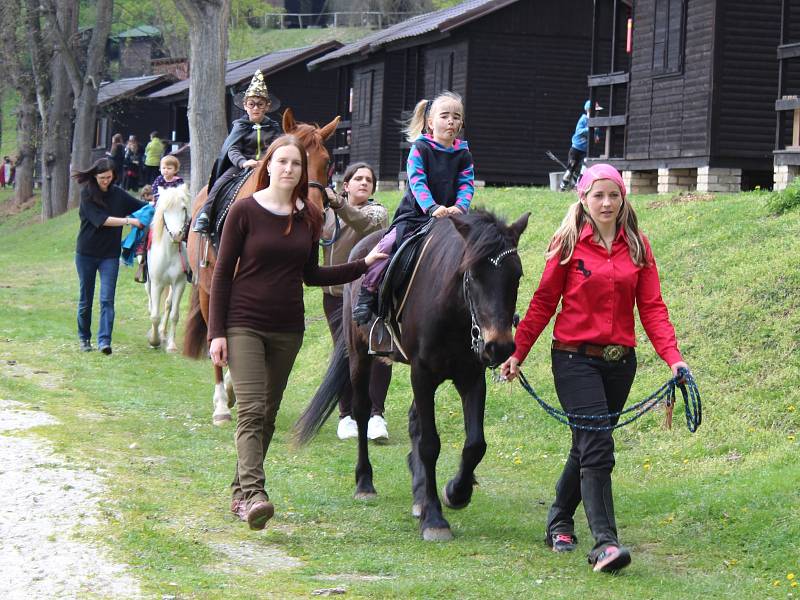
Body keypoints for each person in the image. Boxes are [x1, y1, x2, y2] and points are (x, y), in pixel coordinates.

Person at [499, 164, 690, 573]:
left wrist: (673, 358)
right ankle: (605, 543)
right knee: (598, 444)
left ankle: (559, 520)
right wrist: (519, 352)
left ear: (623, 199)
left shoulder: (638, 246)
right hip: (573, 358)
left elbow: (653, 308)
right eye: (598, 195)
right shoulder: (566, 244)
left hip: (621, 363)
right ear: (583, 198)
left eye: (614, 195)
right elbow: (543, 303)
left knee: (586, 444)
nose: (606, 203)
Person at [207, 135, 387, 531]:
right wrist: (216, 332)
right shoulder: (243, 212)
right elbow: (222, 276)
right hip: (243, 324)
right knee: (252, 410)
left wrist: (364, 264)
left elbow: (311, 275)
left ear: (304, 172)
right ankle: (255, 495)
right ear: (268, 166)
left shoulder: (309, 218)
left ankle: (239, 494)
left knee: (268, 414)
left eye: (295, 164)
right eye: (282, 161)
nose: (288, 169)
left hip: (288, 329)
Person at [351, 90, 475, 324]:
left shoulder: (463, 153)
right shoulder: (420, 149)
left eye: (457, 117)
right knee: (387, 247)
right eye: (445, 116)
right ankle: (368, 294)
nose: (451, 121)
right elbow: (417, 181)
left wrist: (461, 206)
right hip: (416, 215)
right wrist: (431, 207)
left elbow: (466, 184)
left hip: (450, 217)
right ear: (430, 122)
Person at [320, 162, 393, 441]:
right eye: (358, 179)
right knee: (345, 352)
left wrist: (337, 202)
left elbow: (359, 222)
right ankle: (346, 415)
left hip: (369, 295)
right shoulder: (327, 213)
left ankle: (376, 415)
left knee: (378, 352)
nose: (364, 183)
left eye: (369, 180)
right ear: (346, 184)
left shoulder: (377, 212)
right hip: (335, 296)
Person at [193, 70, 282, 234]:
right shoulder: (240, 126)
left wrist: (268, 161)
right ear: (245, 105)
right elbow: (232, 148)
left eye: (260, 104)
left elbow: (278, 147)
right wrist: (243, 162)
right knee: (220, 184)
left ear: (267, 106)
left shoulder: (274, 128)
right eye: (252, 104)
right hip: (242, 166)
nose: (256, 108)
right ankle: (205, 214)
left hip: (268, 166)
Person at [74, 158, 146, 354]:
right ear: (95, 176)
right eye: (102, 177)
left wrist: (158, 201)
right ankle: (84, 339)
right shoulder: (87, 194)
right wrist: (128, 221)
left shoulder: (118, 195)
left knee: (107, 299)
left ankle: (104, 341)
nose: (105, 180)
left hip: (110, 256)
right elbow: (102, 220)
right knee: (86, 299)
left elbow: (142, 206)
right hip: (86, 254)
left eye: (109, 177)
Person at [560, 100, 602, 192]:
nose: (597, 113)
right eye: (596, 110)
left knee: (585, 167)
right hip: (576, 148)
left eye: (598, 111)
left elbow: (597, 133)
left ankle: (578, 186)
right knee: (571, 168)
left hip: (586, 150)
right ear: (589, 110)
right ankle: (563, 186)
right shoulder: (583, 119)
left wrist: (597, 136)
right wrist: (590, 129)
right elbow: (579, 131)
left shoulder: (596, 122)